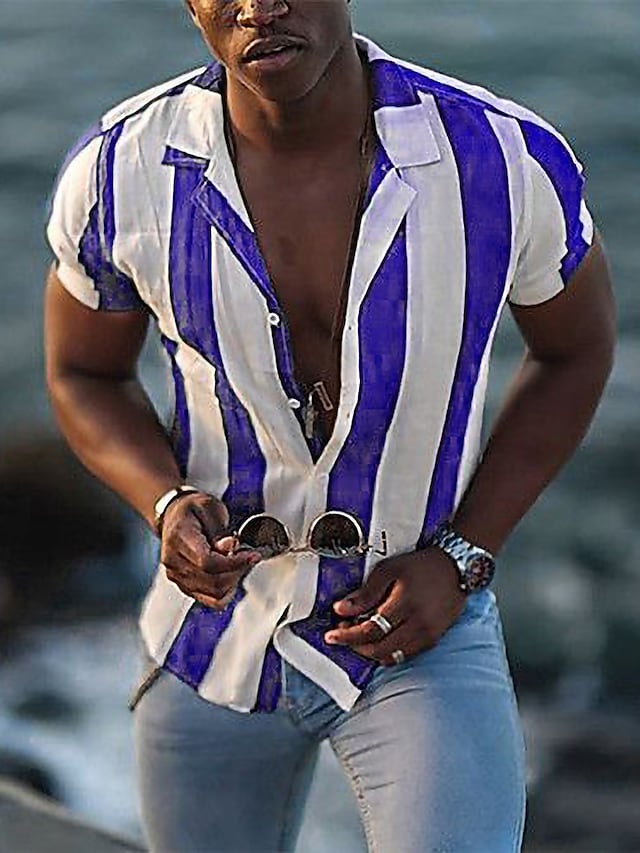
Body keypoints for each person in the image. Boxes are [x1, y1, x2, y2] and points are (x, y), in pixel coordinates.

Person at [44, 1, 615, 850]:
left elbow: (576, 351)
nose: (258, 6)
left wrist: (462, 554)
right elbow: (83, 372)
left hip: (416, 630)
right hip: (212, 639)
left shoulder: (502, 158)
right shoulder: (118, 172)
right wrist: (163, 502)